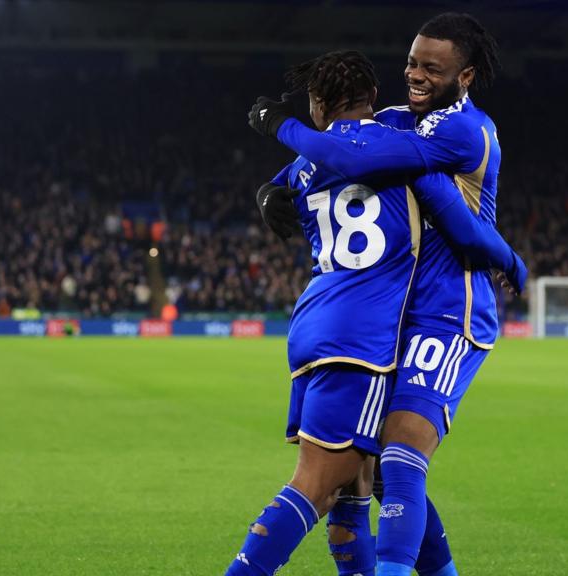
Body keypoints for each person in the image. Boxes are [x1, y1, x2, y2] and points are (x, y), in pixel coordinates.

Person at [227, 49, 525, 576]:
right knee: (322, 483)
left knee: (358, 486)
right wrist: (507, 257)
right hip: (362, 336)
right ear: (372, 96)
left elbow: (309, 164)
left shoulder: (305, 165)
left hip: (312, 324)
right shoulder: (394, 139)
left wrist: (270, 179)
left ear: (317, 104)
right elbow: (455, 219)